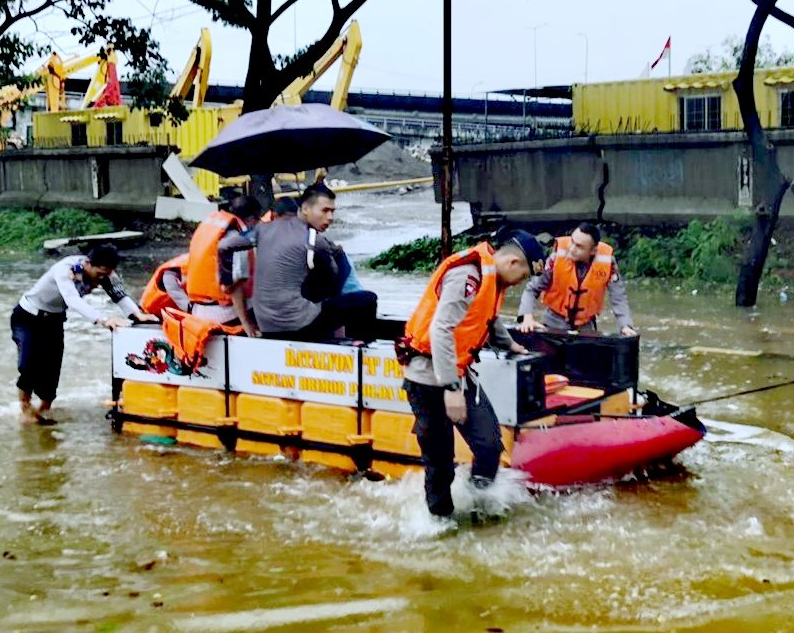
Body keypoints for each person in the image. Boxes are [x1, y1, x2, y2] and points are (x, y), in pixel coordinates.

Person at [400, 230, 547, 517]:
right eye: (524, 276)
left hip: (458, 373)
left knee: (489, 445)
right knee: (440, 462)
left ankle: (480, 507)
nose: (520, 284)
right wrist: (452, 389)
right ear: (515, 262)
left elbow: (485, 318)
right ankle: (440, 521)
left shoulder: (492, 277)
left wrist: (512, 345)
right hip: (428, 377)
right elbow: (440, 329)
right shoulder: (468, 275)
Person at [11, 244, 157, 424]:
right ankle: (25, 409)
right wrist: (103, 319)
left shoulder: (106, 274)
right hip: (28, 317)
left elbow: (119, 296)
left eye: (107, 274)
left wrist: (138, 315)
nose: (102, 280)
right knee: (29, 365)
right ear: (88, 264)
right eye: (100, 274)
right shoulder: (66, 270)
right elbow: (72, 299)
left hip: (54, 320)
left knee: (52, 370)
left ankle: (44, 410)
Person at [218, 184, 376, 342]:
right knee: (367, 299)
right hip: (299, 327)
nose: (330, 218)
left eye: (332, 212)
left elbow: (224, 246)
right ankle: (361, 347)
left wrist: (226, 281)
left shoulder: (262, 230)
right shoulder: (314, 239)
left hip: (267, 326)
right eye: (325, 211)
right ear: (305, 209)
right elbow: (332, 281)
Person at [517, 222, 636, 336]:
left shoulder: (607, 263)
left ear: (593, 251)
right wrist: (527, 317)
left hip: (586, 326)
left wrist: (625, 326)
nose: (572, 248)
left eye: (579, 246)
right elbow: (532, 289)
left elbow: (618, 297)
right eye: (572, 242)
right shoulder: (556, 258)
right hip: (553, 323)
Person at [184, 195, 262, 337]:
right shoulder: (235, 238)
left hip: (199, 309)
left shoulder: (210, 226)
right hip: (223, 313)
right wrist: (246, 323)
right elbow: (234, 285)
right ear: (251, 220)